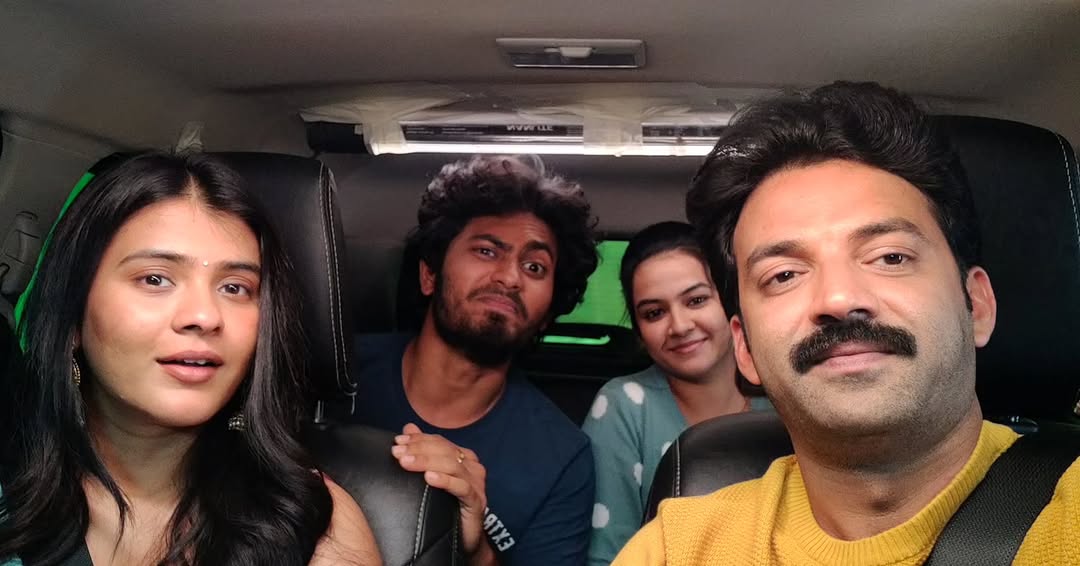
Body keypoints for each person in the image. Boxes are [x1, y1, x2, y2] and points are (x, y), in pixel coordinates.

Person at [612, 82, 1079, 565]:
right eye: (784, 275)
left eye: (890, 256)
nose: (838, 299)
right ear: (744, 348)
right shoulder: (674, 551)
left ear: (976, 304)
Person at [0, 152, 381, 565]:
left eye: (235, 287)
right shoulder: (10, 495)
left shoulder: (316, 528)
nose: (204, 316)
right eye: (155, 279)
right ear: (73, 316)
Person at [350, 155, 599, 565]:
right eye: (486, 251)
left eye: (534, 266)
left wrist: (477, 548)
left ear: (547, 315)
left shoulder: (563, 458)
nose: (510, 277)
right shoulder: (332, 373)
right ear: (429, 275)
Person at [582, 221, 770, 565]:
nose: (680, 326)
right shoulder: (625, 406)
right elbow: (608, 555)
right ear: (639, 331)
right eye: (654, 313)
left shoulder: (781, 397)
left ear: (730, 301)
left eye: (696, 300)